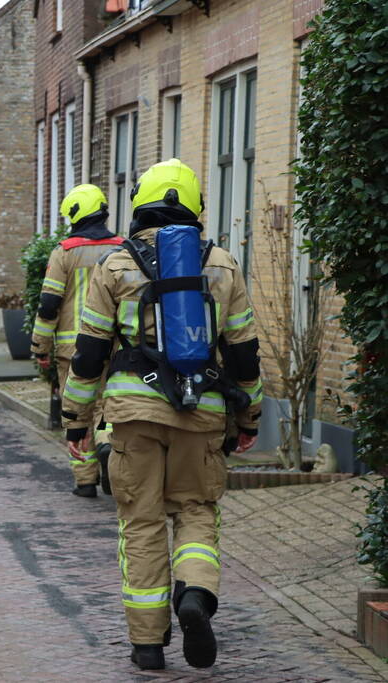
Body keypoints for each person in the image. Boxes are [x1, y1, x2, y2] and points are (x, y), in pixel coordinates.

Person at [61, 159, 262, 671]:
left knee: (142, 522)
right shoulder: (221, 264)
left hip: (132, 414)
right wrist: (250, 417)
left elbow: (87, 354)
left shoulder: (116, 266)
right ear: (195, 207)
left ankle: (148, 644)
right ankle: (195, 593)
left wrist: (77, 420)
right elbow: (243, 352)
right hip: (202, 412)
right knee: (196, 511)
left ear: (138, 205)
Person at [30, 184, 123, 498]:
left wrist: (40, 348)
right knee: (107, 406)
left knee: (76, 409)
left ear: (75, 215)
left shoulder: (64, 252)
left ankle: (85, 480)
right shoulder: (124, 248)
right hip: (115, 346)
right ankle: (109, 449)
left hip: (74, 349)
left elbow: (48, 304)